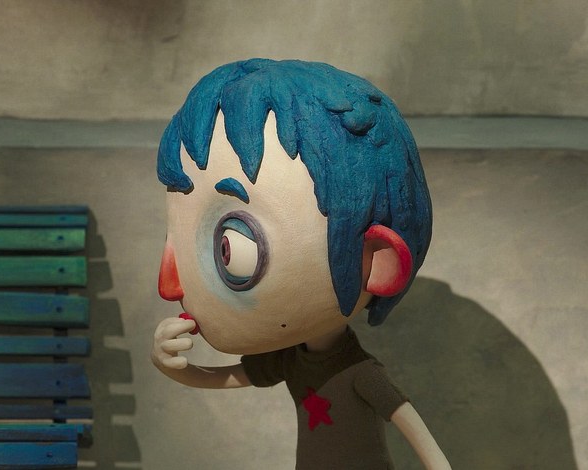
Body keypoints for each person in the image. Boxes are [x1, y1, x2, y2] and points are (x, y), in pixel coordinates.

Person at [152, 59, 450, 469]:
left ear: (376, 262)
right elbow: (222, 378)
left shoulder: (361, 374)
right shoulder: (290, 360)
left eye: (229, 247)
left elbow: (425, 446)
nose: (170, 286)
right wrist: (169, 365)